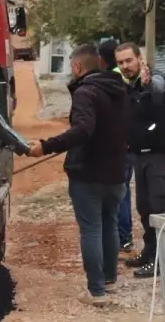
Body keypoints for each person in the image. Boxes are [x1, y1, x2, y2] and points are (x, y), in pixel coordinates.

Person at [23, 44, 130, 306]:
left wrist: (46, 146)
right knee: (110, 224)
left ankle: (96, 291)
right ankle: (109, 279)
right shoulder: (120, 88)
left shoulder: (86, 92)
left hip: (89, 173)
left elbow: (83, 130)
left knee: (92, 229)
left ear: (78, 67)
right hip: (117, 172)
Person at [114, 41, 165, 279]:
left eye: (129, 60)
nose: (125, 66)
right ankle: (150, 252)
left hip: (161, 155)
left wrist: (148, 82)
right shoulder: (129, 87)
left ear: (140, 58)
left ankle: (162, 259)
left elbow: (158, 89)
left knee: (160, 209)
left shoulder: (155, 79)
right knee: (144, 208)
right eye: (120, 62)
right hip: (140, 157)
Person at [98, 39, 134, 252]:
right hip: (126, 143)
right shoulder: (122, 76)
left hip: (120, 146)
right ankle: (124, 236)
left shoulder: (112, 78)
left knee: (120, 192)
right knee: (123, 191)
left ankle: (122, 237)